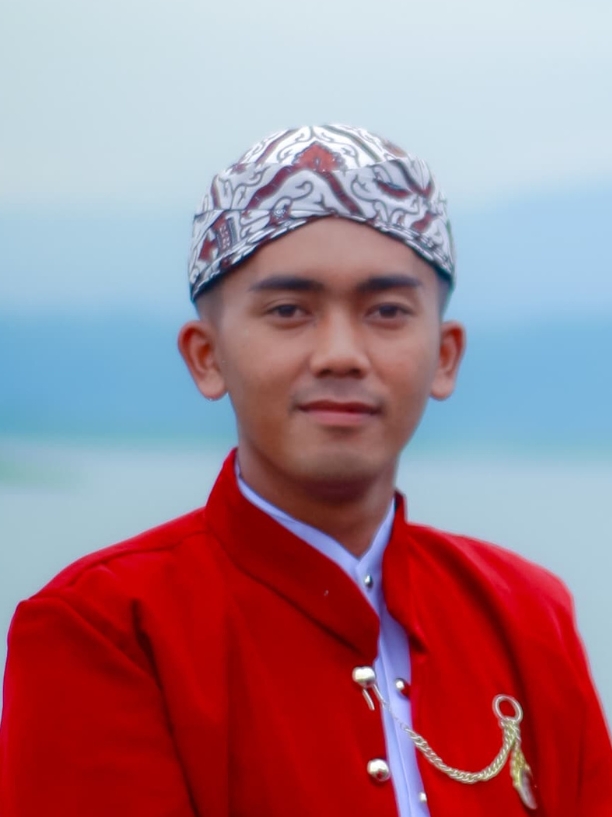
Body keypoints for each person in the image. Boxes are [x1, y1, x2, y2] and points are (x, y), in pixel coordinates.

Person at [0, 124, 610, 817]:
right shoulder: (106, 629)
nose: (341, 354)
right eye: (289, 311)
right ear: (206, 356)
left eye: (387, 311)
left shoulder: (526, 615)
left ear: (445, 356)